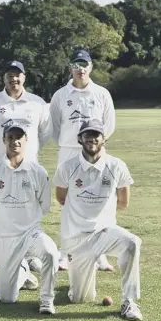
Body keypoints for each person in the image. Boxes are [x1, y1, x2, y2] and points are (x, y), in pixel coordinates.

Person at [53, 119, 142, 321]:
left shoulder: (117, 166)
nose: (91, 138)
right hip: (76, 240)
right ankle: (81, 274)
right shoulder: (67, 167)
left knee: (132, 242)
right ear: (79, 138)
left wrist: (100, 216)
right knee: (79, 299)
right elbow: (61, 198)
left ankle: (129, 302)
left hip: (104, 233)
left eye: (96, 134)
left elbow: (123, 203)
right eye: (87, 134)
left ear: (104, 138)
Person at [0, 60, 50, 276]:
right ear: (4, 78)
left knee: (27, 208)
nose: (14, 78)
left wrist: (25, 154)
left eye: (17, 74)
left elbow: (44, 134)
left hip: (28, 166)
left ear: (24, 77)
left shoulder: (37, 103)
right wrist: (1, 154)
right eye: (9, 74)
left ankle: (29, 254)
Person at [0, 121, 58, 313]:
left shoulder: (37, 171)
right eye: (10, 137)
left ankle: (47, 300)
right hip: (4, 237)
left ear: (26, 139)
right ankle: (23, 270)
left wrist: (26, 220)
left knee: (50, 253)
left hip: (31, 232)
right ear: (4, 140)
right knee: (6, 298)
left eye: (19, 137)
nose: (15, 141)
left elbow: (44, 204)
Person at [50, 49, 116, 271]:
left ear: (91, 67)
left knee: (99, 201)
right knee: (68, 203)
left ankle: (100, 255)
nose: (80, 69)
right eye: (76, 64)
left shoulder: (102, 93)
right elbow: (55, 127)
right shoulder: (60, 95)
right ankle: (65, 253)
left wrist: (95, 145)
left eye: (84, 64)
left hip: (96, 152)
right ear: (70, 67)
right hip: (69, 151)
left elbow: (109, 124)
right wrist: (71, 142)